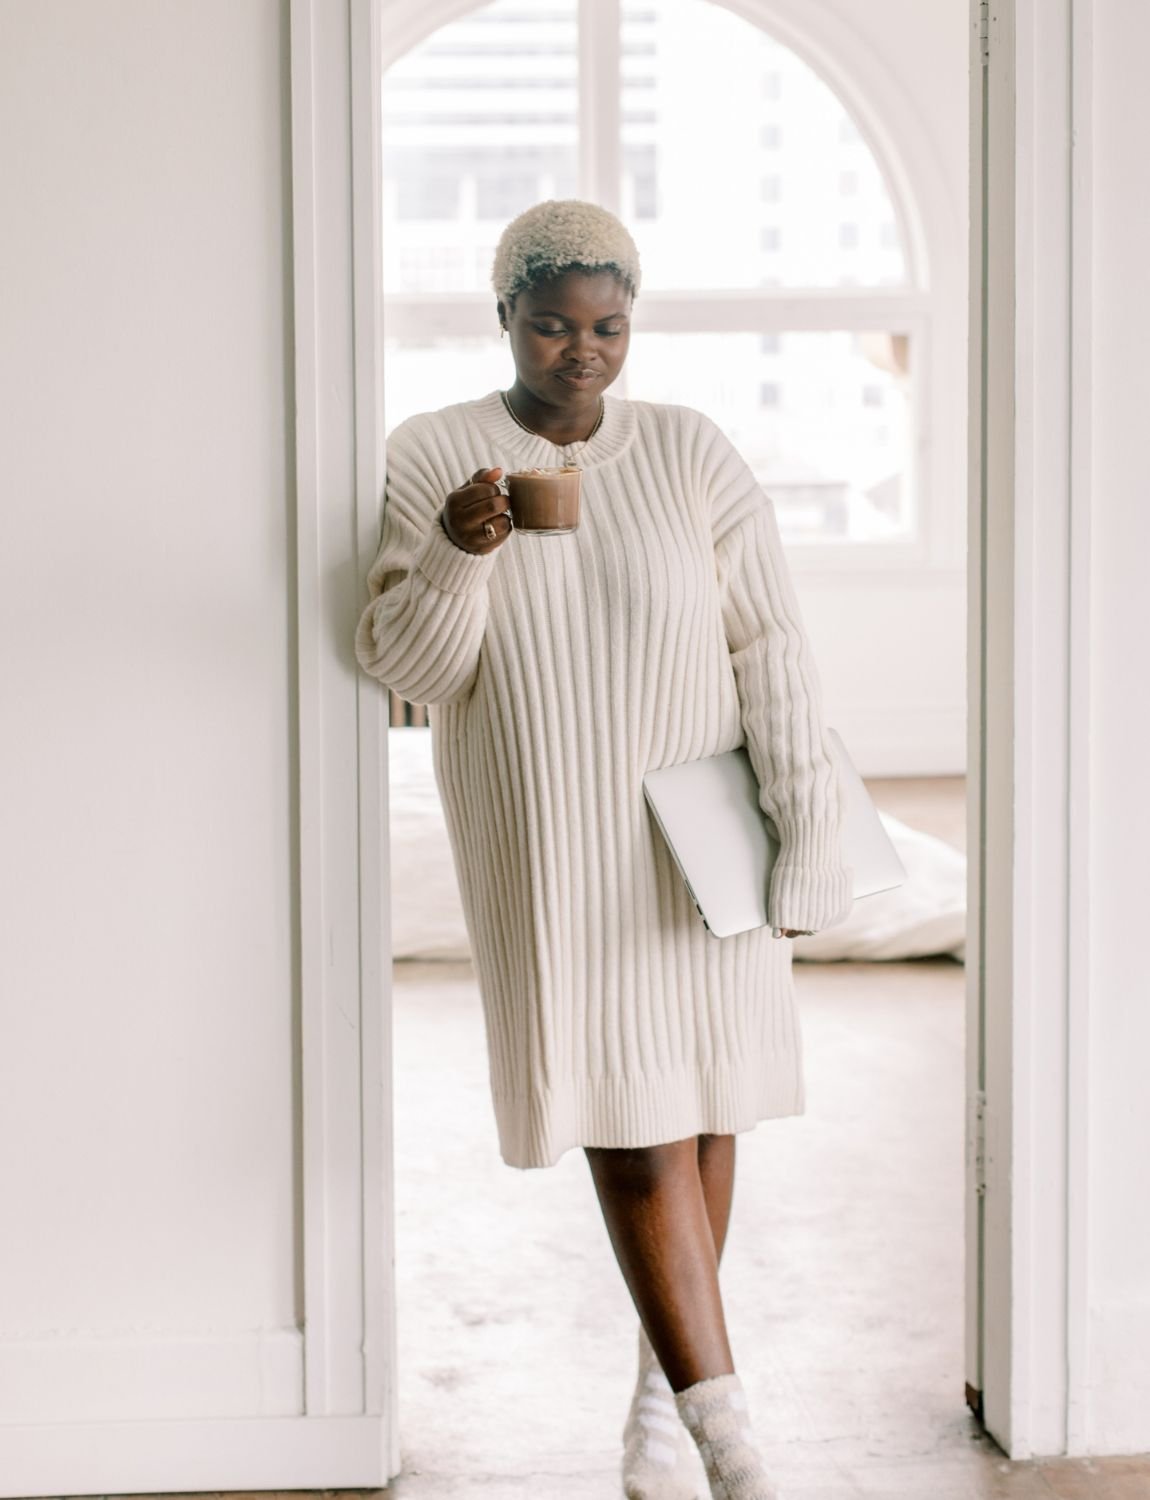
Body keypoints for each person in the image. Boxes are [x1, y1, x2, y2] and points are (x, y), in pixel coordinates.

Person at [355, 199, 853, 1500]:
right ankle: (735, 1447)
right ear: (502, 319)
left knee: (703, 1117)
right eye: (553, 325)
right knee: (631, 1132)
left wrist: (804, 840)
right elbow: (407, 672)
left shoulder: (690, 451)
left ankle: (660, 1405)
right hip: (549, 844)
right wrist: (461, 559)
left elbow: (773, 652)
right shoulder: (433, 453)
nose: (583, 352)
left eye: (609, 326)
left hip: (701, 843)